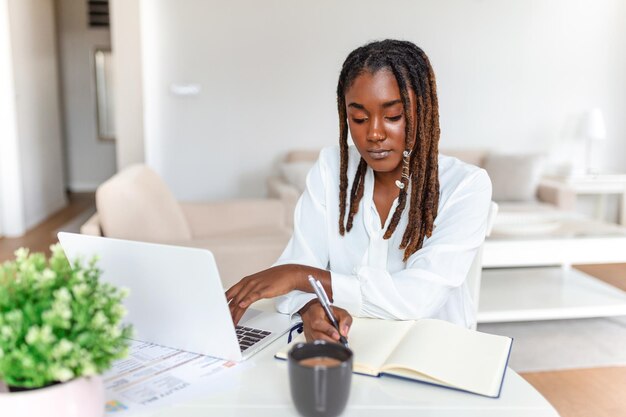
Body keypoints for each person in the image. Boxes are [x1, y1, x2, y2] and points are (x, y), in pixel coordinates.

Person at [225, 39, 492, 344]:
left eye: (393, 116)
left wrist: (302, 277)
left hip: (432, 350)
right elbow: (293, 279)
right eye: (359, 118)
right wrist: (313, 307)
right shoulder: (331, 168)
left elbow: (417, 298)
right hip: (354, 344)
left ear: (424, 110)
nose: (374, 133)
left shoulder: (467, 185)